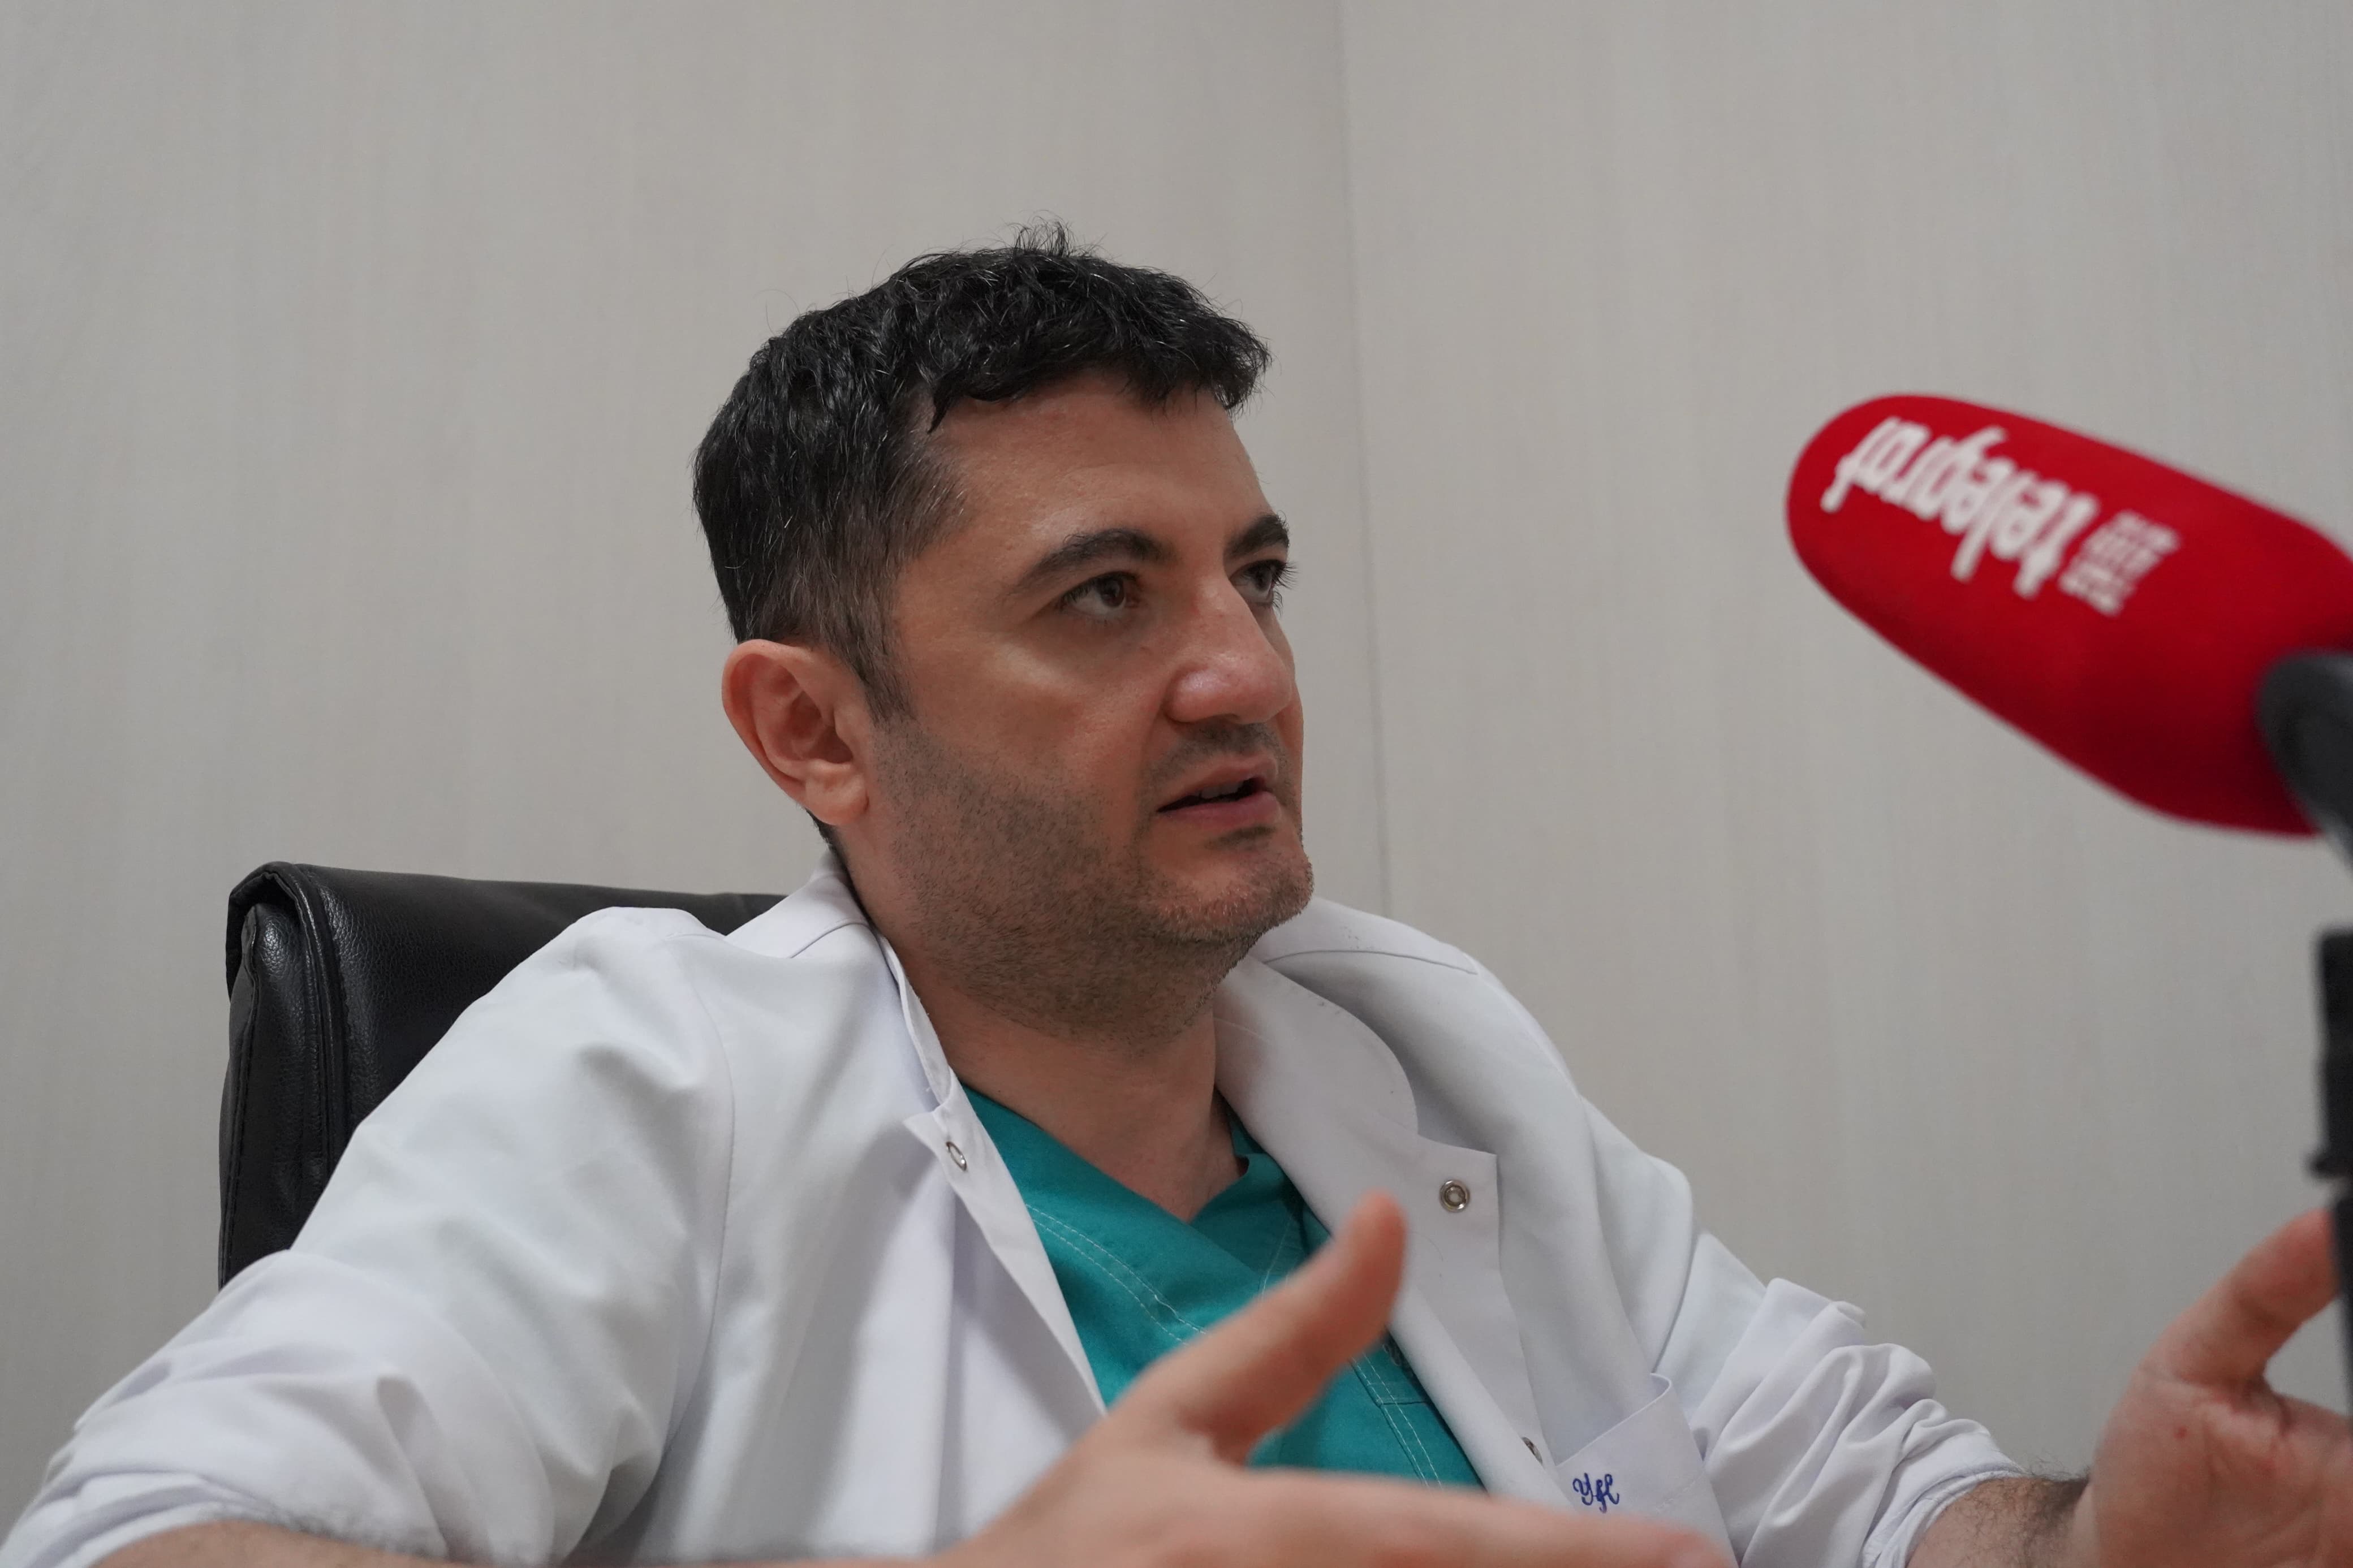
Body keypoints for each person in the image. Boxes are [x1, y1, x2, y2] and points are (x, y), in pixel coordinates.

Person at [6, 228, 2348, 1568]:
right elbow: (145, 1537)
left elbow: (1857, 1490)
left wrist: (2090, 1547)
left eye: (1255, 573)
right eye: (1106, 594)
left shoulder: (1412, 1041)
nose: (1245, 669)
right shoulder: (650, 1065)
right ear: (813, 731)